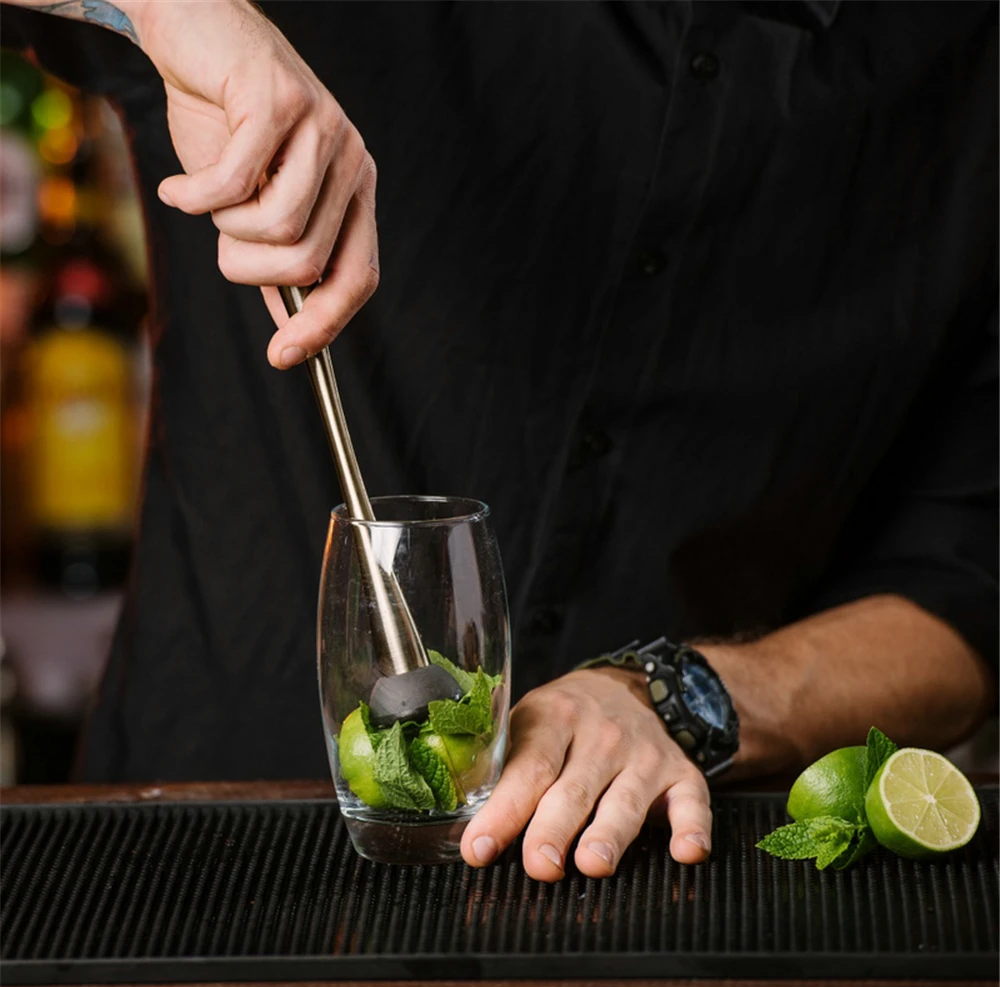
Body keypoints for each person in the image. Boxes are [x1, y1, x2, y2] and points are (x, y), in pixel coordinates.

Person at [1, 0, 995, 882]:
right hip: (196, 849)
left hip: (658, 875)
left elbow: (974, 574)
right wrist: (176, 9)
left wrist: (681, 695)